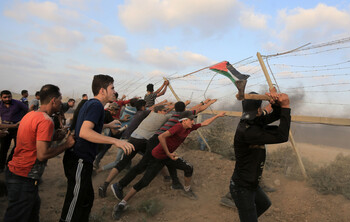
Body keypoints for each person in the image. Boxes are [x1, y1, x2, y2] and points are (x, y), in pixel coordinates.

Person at [112, 110, 226, 220]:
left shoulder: (189, 128)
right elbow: (161, 137)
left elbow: (205, 123)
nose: (193, 122)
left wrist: (218, 116)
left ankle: (187, 190)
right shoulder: (178, 127)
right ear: (184, 120)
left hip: (168, 156)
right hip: (158, 156)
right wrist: (168, 153)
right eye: (191, 120)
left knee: (189, 168)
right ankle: (121, 204)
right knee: (144, 181)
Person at [104, 98, 218, 200]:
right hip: (157, 142)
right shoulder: (180, 119)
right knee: (142, 167)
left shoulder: (173, 116)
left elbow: (195, 109)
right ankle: (120, 185)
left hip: (154, 141)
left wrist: (204, 102)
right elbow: (199, 109)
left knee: (167, 161)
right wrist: (208, 103)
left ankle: (175, 182)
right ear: (185, 113)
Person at [59, 74, 135, 222]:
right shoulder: (96, 106)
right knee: (75, 203)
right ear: (102, 90)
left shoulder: (91, 104)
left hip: (82, 159)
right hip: (79, 159)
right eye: (112, 88)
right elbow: (84, 132)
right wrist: (116, 141)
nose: (114, 91)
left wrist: (106, 125)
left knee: (86, 199)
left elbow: (86, 126)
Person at [3, 84, 75, 222]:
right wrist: (66, 145)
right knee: (16, 217)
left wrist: (54, 137)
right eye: (60, 99)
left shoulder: (31, 115)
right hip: (24, 176)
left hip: (17, 173)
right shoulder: (46, 121)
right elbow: (42, 154)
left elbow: (31, 139)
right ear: (53, 100)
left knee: (32, 212)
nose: (61, 103)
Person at [229, 88, 291, 222]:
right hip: (242, 188)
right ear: (258, 110)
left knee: (264, 204)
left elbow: (273, 116)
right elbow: (282, 135)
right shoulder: (249, 132)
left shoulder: (250, 121)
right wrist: (285, 106)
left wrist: (275, 104)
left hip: (250, 183)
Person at [0, 90, 28, 173]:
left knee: (17, 147)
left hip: (17, 128)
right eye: (5, 97)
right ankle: (1, 166)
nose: (7, 99)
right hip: (5, 128)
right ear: (1, 98)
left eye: (9, 96)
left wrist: (23, 120)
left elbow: (28, 110)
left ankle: (9, 163)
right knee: (3, 148)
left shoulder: (17, 103)